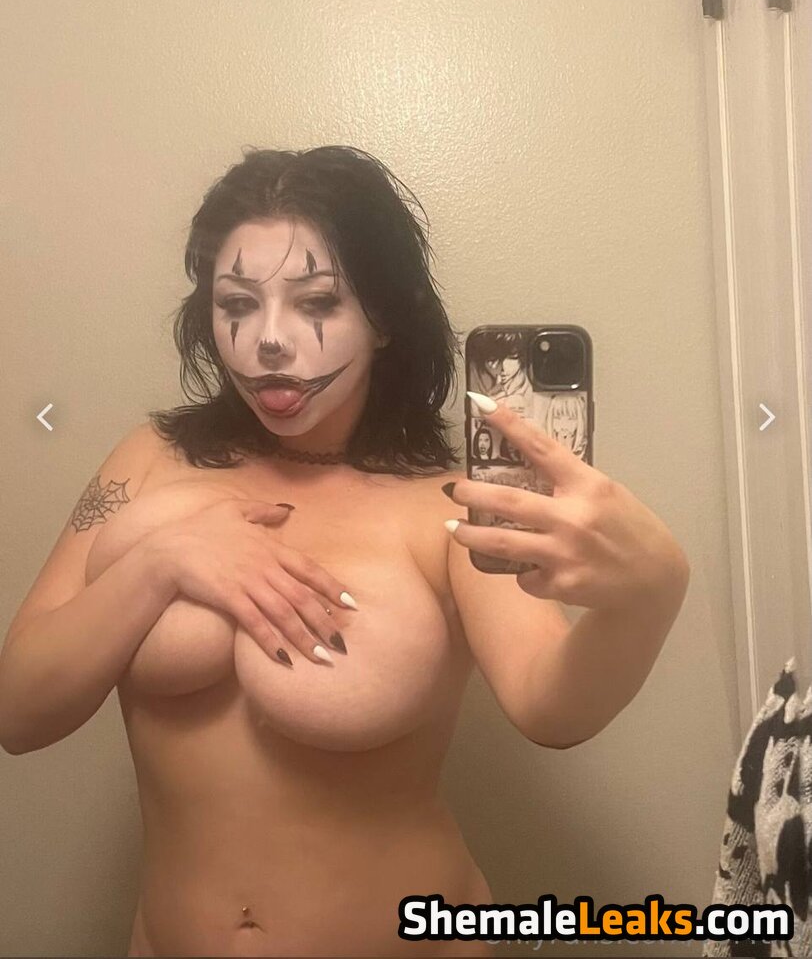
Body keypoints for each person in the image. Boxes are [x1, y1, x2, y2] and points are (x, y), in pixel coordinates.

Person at [0, 146, 690, 958]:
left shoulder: (446, 504)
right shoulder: (147, 461)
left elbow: (552, 708)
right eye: (237, 303)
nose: (269, 341)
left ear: (383, 317)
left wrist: (648, 597)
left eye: (318, 301)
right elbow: (18, 710)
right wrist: (163, 563)